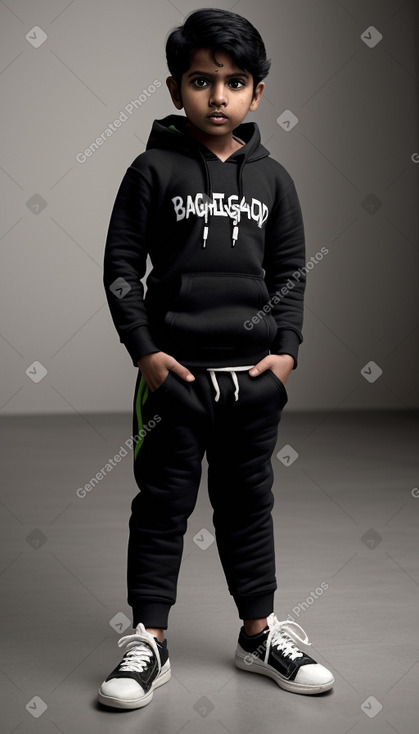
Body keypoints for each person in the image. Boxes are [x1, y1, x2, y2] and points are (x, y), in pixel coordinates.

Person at [98, 7, 334, 710]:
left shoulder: (274, 179)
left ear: (257, 92)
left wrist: (285, 355)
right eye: (202, 81)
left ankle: (258, 634)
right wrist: (145, 353)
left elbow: (290, 273)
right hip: (174, 379)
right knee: (163, 506)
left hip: (251, 382)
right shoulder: (151, 169)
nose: (219, 96)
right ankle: (149, 640)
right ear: (175, 89)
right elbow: (119, 269)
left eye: (235, 82)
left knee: (246, 506)